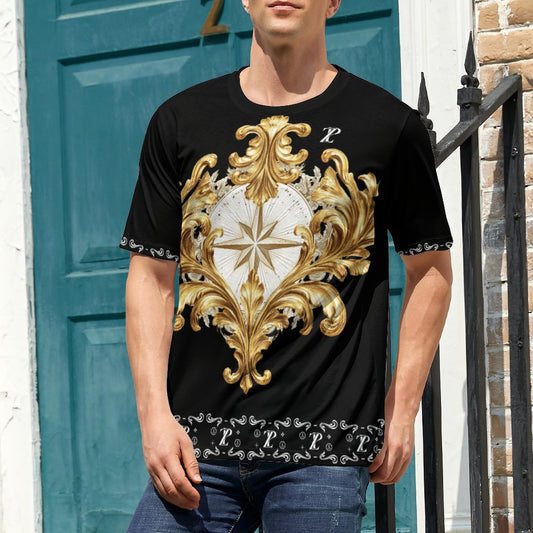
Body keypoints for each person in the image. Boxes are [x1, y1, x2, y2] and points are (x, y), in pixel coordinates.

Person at [119, 0, 453, 531]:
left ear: (334, 2)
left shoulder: (387, 124)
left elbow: (430, 269)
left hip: (325, 449)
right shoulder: (180, 121)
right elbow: (151, 275)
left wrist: (402, 407)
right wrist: (154, 416)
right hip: (196, 447)